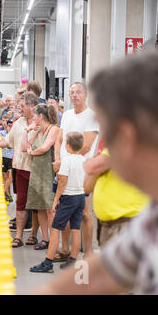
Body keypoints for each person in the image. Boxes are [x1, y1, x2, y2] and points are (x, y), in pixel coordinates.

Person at [34, 51, 158, 295]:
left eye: (107, 131)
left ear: (126, 136)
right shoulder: (150, 222)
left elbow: (91, 165)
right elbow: (104, 271)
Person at [53, 82, 100, 261]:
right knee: (63, 210)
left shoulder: (92, 117)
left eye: (78, 92)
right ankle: (65, 249)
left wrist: (67, 165)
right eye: (71, 92)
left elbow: (86, 146)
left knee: (85, 213)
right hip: (64, 171)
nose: (74, 95)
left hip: (82, 173)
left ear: (85, 94)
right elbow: (59, 139)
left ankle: (88, 252)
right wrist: (58, 160)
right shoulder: (66, 115)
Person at [0, 92, 39, 247]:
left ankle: (34, 234)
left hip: (36, 170)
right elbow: (9, 140)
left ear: (31, 106)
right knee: (21, 202)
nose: (19, 108)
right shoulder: (18, 123)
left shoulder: (40, 122)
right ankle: (18, 236)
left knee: (37, 206)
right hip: (20, 167)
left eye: (22, 106)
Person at [30, 132, 86, 273]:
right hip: (80, 197)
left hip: (68, 198)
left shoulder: (66, 160)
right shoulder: (84, 160)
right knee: (76, 228)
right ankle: (73, 260)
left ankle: (48, 262)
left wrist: (55, 200)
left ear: (67, 145)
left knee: (55, 228)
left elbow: (62, 181)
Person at [84, 148, 148, 246]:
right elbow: (86, 187)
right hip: (108, 225)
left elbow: (90, 167)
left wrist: (92, 162)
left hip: (127, 223)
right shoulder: (110, 151)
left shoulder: (126, 149)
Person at [22, 104, 60, 250]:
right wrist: (27, 131)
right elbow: (24, 147)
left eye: (35, 116)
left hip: (48, 174)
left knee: (50, 209)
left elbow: (44, 148)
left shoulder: (54, 129)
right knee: (40, 209)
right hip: (37, 173)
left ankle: (54, 240)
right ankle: (45, 239)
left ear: (41, 117)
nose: (33, 119)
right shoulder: (38, 130)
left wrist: (32, 152)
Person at [0, 115, 14, 203]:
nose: (9, 127)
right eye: (8, 125)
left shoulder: (14, 135)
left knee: (11, 176)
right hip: (4, 157)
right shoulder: (3, 133)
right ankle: (8, 194)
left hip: (12, 158)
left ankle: (4, 191)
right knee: (5, 176)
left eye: (11, 126)